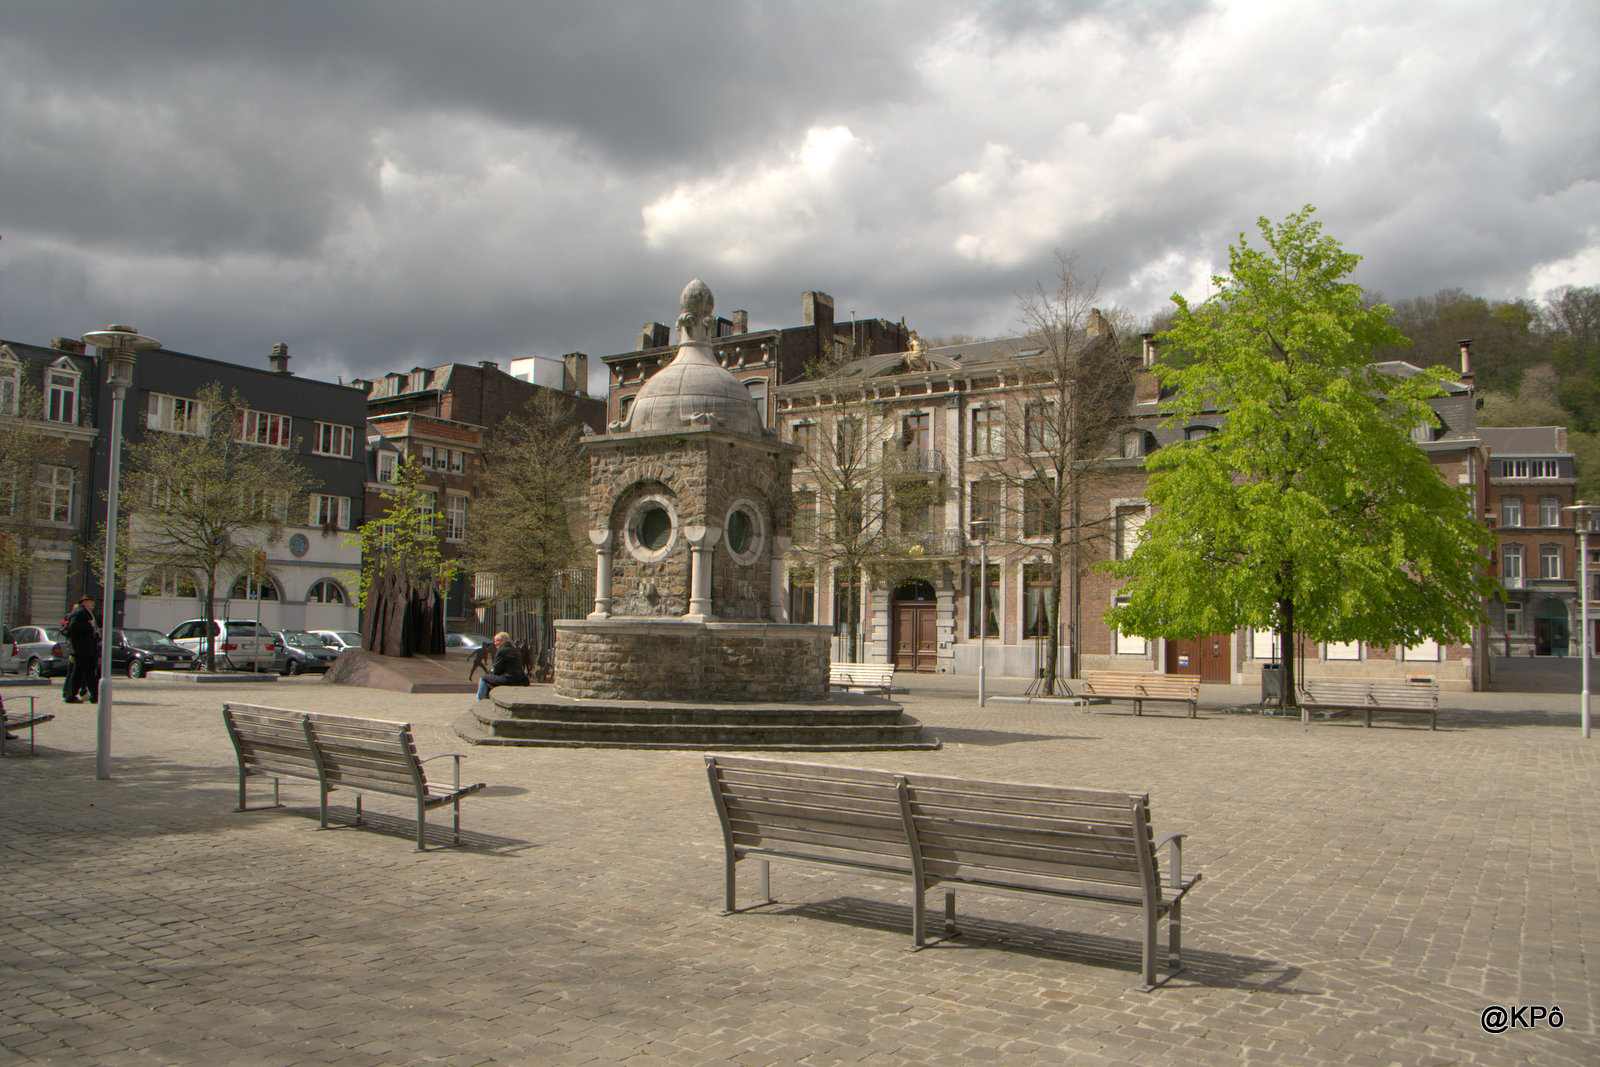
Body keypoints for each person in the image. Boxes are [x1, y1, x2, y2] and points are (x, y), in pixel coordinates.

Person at [62, 594, 101, 704]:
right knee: (89, 674)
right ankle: (94, 696)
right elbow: (73, 626)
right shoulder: (80, 612)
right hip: (83, 650)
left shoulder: (86, 613)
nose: (93, 604)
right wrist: (89, 625)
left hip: (85, 649)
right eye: (91, 602)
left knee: (78, 673)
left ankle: (71, 695)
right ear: (85, 602)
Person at [475, 632, 528, 700]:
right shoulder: (514, 650)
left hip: (509, 679)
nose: (495, 643)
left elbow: (497, 670)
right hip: (520, 679)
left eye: (497, 641)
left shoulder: (501, 651)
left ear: (503, 641)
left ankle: (480, 701)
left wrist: (490, 671)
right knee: (490, 677)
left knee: (483, 678)